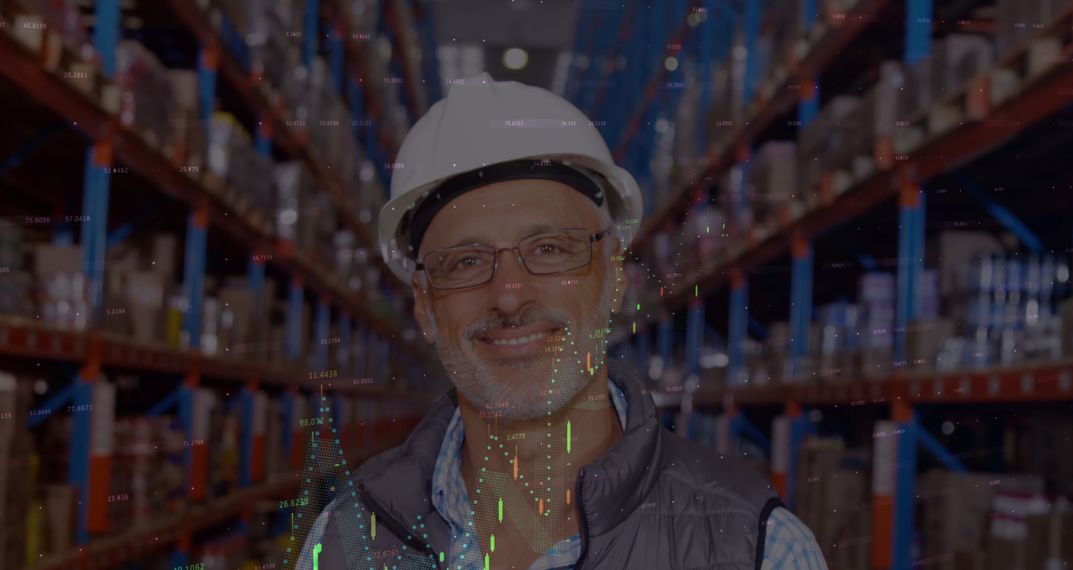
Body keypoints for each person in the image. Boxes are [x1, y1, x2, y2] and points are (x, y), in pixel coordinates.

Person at [298, 72, 827, 569]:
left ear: (615, 277)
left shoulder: (755, 549)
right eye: (465, 262)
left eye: (550, 249)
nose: (508, 295)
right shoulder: (347, 542)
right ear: (423, 304)